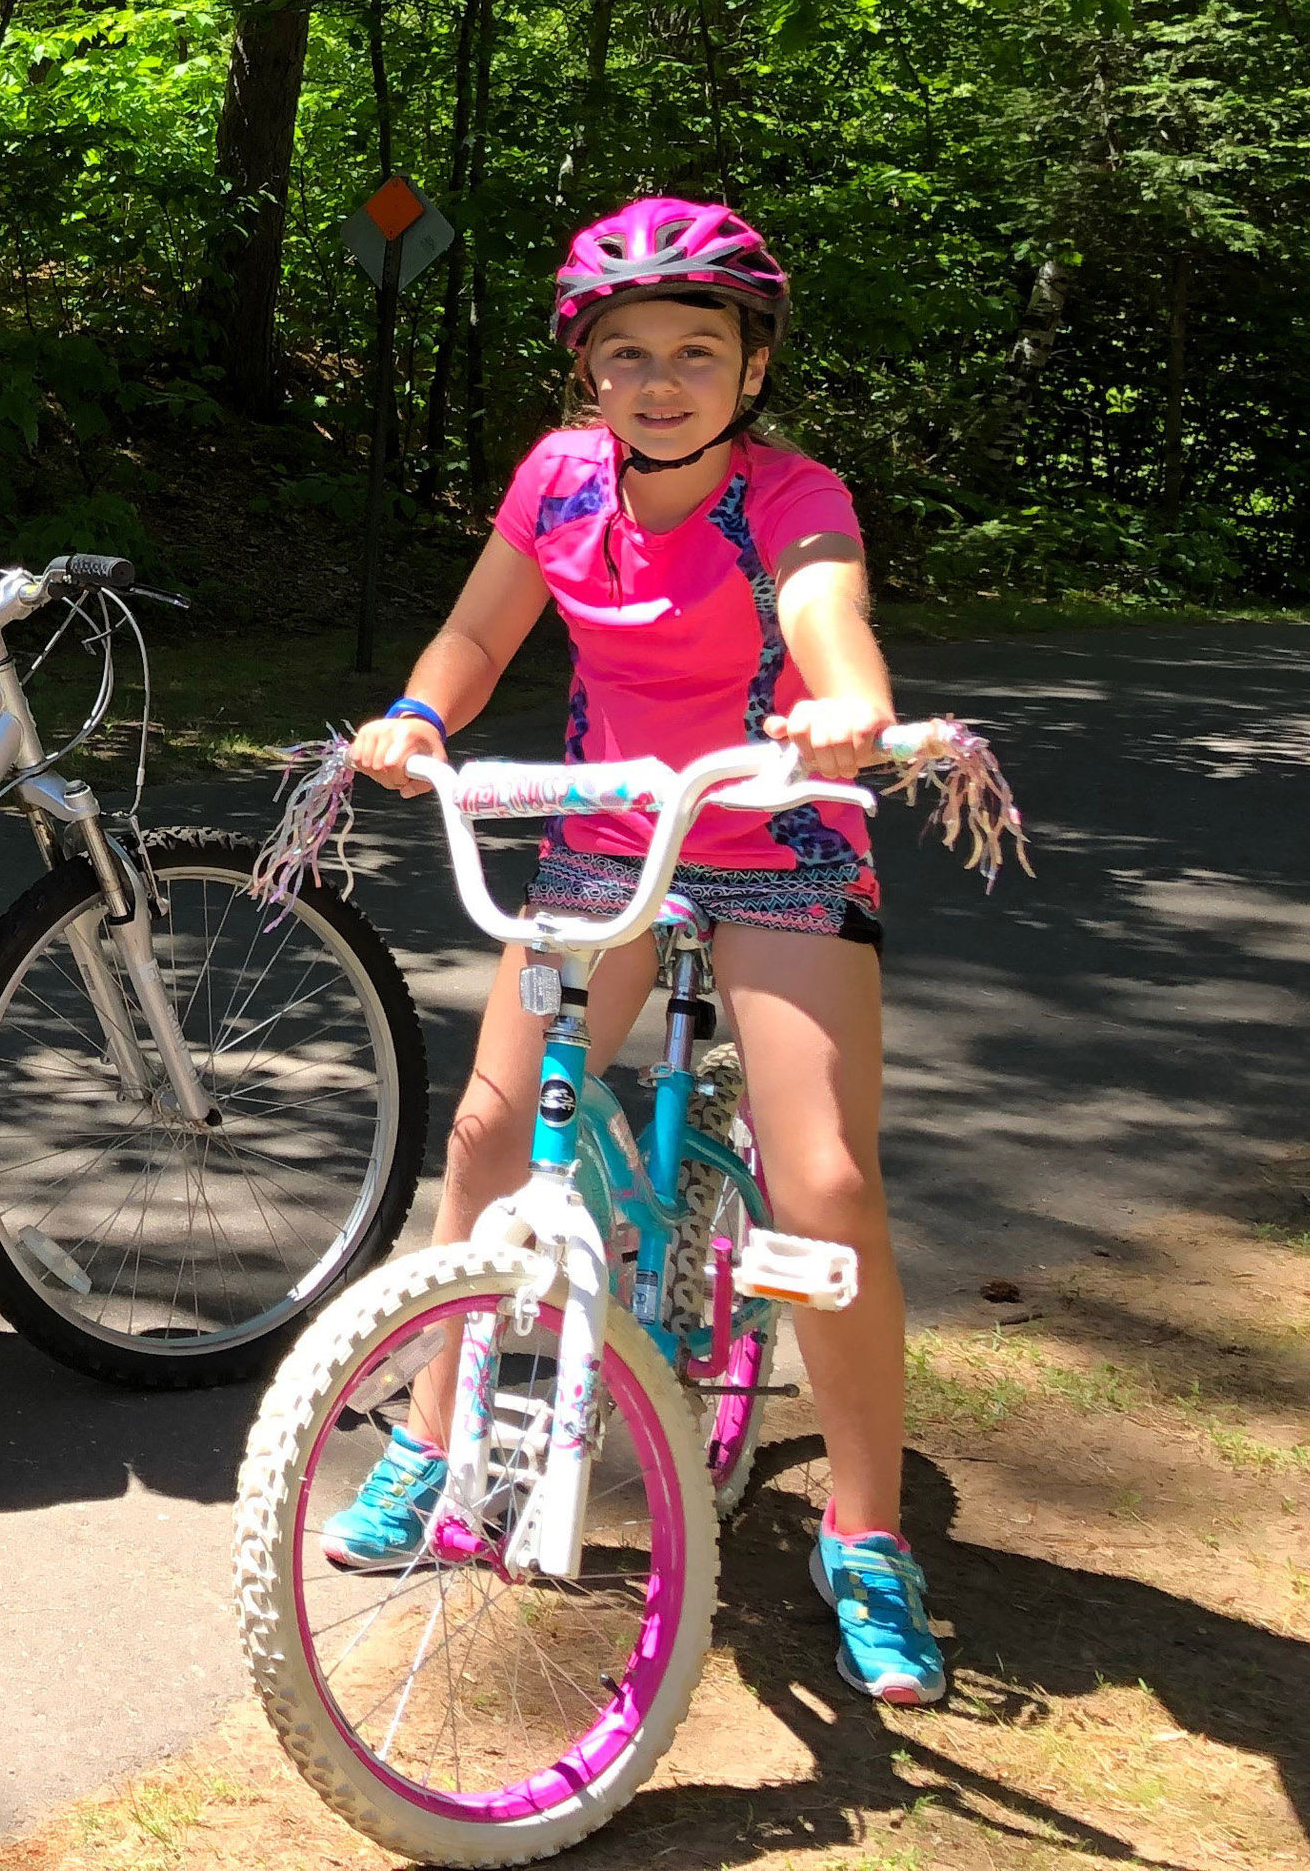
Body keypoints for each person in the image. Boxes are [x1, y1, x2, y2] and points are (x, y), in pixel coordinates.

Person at [326, 196, 946, 1705]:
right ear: (583, 372)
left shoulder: (792, 491)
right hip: (614, 831)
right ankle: (433, 1430)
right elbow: (477, 638)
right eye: (626, 354)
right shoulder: (557, 482)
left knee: (827, 1182)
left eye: (695, 350)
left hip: (778, 826)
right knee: (486, 1132)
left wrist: (847, 701)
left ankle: (866, 1536)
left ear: (751, 366)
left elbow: (824, 610)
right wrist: (422, 715)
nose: (659, 382)